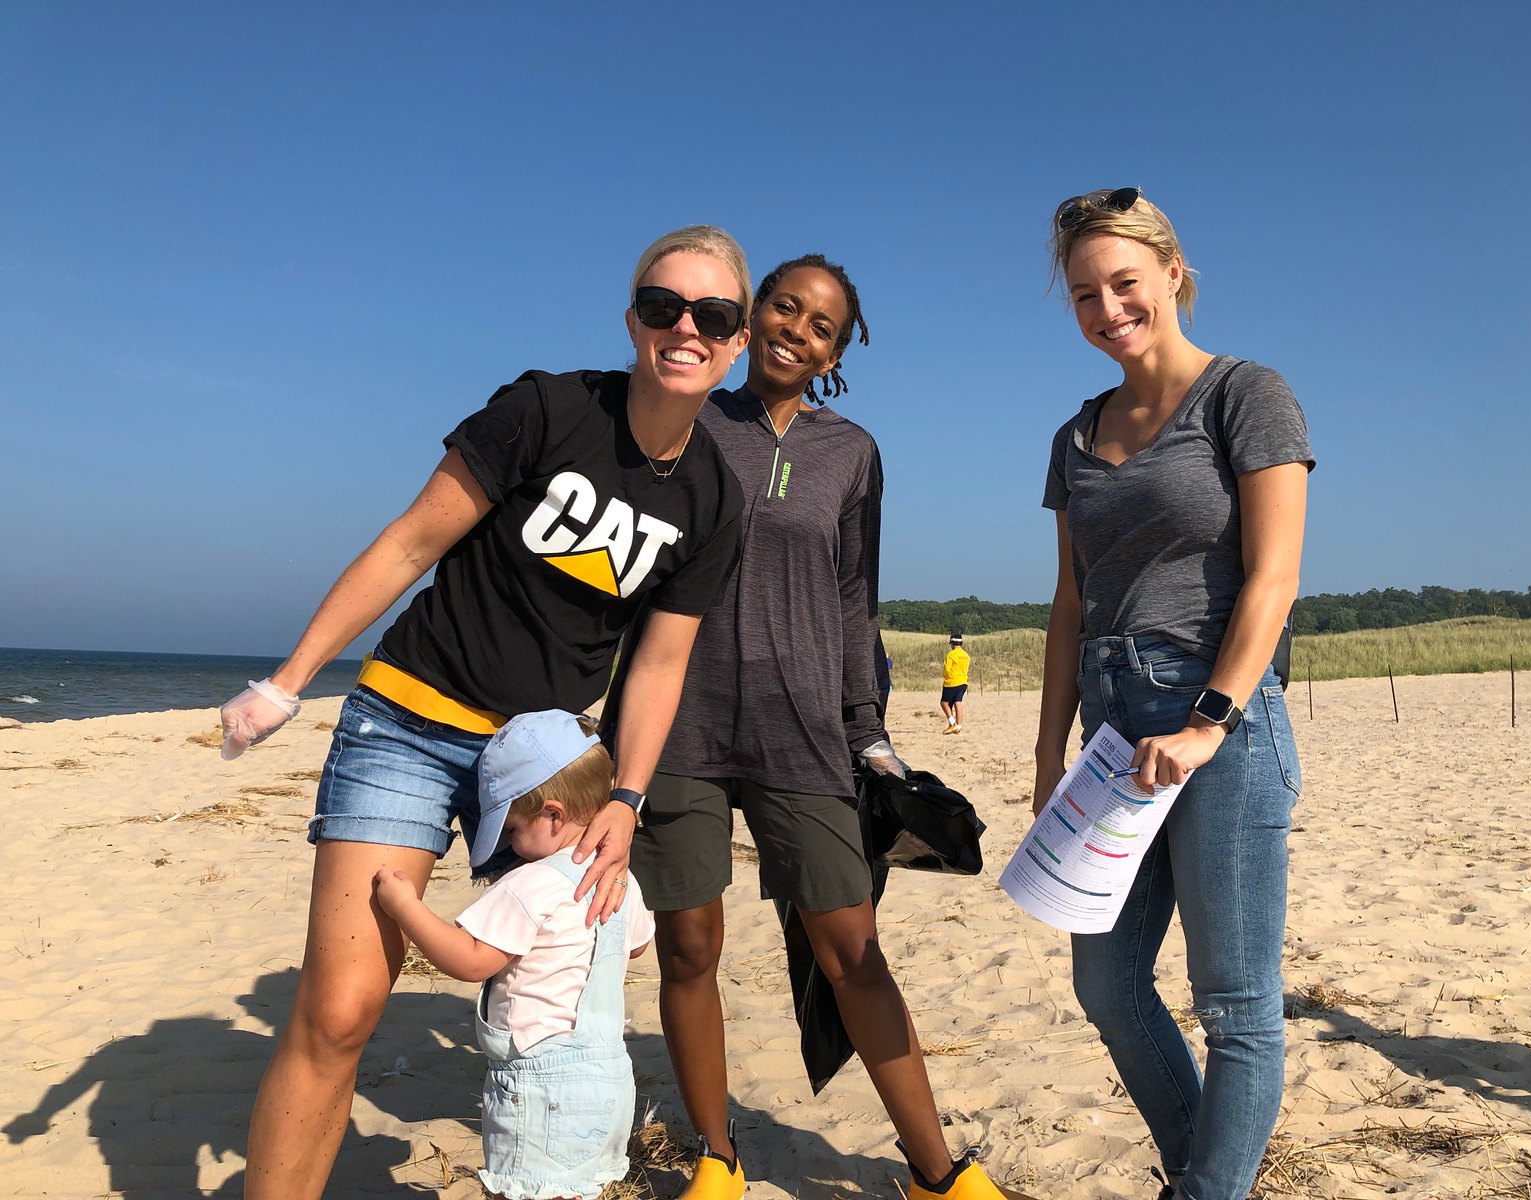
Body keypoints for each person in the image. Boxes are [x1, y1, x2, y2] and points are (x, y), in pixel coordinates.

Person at [219, 225, 752, 1200]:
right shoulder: (546, 409)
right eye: (662, 305)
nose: (685, 327)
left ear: (738, 339)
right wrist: (288, 679)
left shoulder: (716, 496)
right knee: (341, 1010)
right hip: (412, 723)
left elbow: (660, 661)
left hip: (547, 767)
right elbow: (409, 544)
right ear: (631, 318)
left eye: (712, 314)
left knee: (560, 1006)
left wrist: (625, 797)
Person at [628, 254, 1009, 1200]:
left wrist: (868, 733)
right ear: (750, 315)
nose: (798, 329)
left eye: (822, 323)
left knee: (854, 951)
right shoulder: (684, 414)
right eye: (784, 307)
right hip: (677, 727)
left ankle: (937, 1173)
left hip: (804, 732)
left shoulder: (853, 451)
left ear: (839, 349)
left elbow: (852, 598)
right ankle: (717, 1161)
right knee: (689, 949)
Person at [1033, 188, 1313, 1200]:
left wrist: (1208, 721)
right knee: (1105, 983)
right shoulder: (1074, 433)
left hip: (1220, 726)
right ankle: (1206, 1175)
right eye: (1083, 295)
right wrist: (1044, 755)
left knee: (1234, 1002)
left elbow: (1273, 578)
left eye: (1123, 284)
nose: (1106, 309)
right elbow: (1068, 605)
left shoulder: (1247, 393)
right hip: (1111, 731)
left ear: (1173, 274)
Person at [373, 710, 655, 1200]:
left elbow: (471, 960)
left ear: (553, 814)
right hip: (610, 1080)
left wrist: (405, 908)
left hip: (541, 1084)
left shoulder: (531, 882)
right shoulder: (619, 878)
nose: (509, 844)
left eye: (511, 829)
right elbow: (638, 944)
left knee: (519, 1190)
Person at [940, 633, 970, 733]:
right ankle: (959, 725)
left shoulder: (951, 655)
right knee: (958, 702)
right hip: (963, 681)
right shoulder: (966, 655)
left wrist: (945, 677)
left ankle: (952, 723)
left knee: (944, 703)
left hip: (952, 682)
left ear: (952, 643)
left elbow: (947, 670)